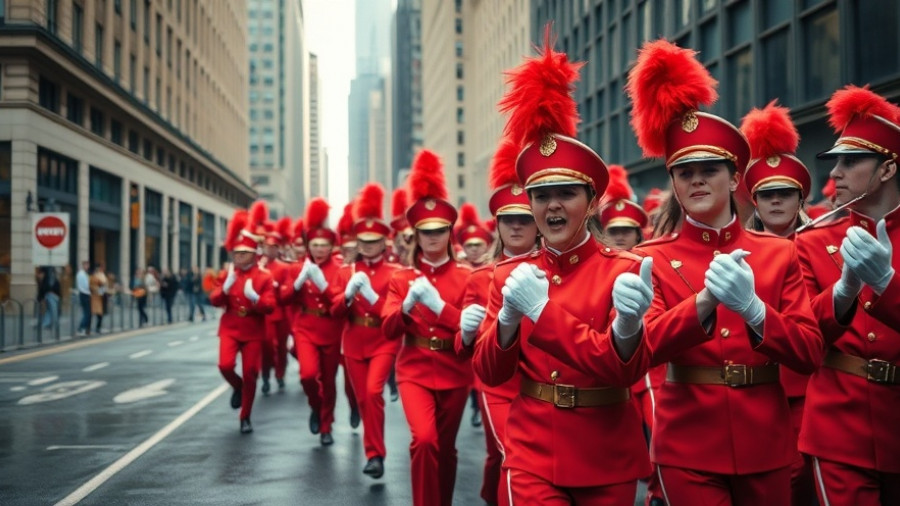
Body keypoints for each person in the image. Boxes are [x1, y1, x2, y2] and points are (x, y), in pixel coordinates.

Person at [624, 39, 823, 505]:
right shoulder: (650, 257)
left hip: (765, 440)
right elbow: (644, 350)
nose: (696, 180)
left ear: (735, 178)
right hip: (687, 442)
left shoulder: (777, 254)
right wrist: (704, 304)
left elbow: (810, 352)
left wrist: (755, 312)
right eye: (684, 171)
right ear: (672, 182)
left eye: (710, 169)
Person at [472, 35, 652, 504]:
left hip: (604, 452)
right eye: (539, 196)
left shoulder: (625, 271)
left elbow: (619, 372)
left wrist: (629, 329)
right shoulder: (506, 276)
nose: (552, 205)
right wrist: (507, 322)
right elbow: (489, 373)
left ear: (592, 203)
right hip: (532, 450)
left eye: (566, 194)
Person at [795, 85, 900, 505]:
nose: (835, 173)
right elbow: (803, 338)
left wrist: (888, 286)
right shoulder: (813, 242)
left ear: (888, 170)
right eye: (835, 161)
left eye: (851, 161)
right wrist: (843, 293)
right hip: (839, 424)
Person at [380, 149, 472, 506]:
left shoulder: (467, 277)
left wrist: (440, 308)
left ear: (450, 233)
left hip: (455, 369)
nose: (432, 237)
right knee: (425, 441)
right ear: (415, 235)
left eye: (439, 230)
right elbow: (388, 331)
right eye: (425, 231)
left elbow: (470, 333)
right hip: (414, 368)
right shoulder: (402, 279)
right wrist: (405, 306)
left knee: (446, 449)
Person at [739, 101, 817, 506]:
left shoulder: (827, 247)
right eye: (765, 193)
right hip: (756, 389)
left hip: (812, 387)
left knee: (804, 483)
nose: (775, 201)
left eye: (785, 192)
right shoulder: (739, 252)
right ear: (754, 200)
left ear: (800, 196)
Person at [458, 135, 539, 506]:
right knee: (515, 458)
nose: (517, 227)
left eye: (525, 219)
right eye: (508, 220)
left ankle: (492, 495)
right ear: (498, 225)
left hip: (542, 384)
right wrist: (466, 331)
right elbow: (464, 348)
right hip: (500, 386)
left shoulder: (553, 271)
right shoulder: (479, 278)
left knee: (501, 459)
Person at [328, 183, 402, 479]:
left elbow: (395, 307)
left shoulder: (395, 272)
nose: (369, 245)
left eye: (374, 241)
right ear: (357, 242)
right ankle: (373, 449)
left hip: (383, 339)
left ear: (384, 242)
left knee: (373, 392)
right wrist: (347, 295)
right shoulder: (347, 272)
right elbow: (334, 312)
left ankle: (375, 455)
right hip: (354, 341)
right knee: (362, 398)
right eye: (364, 241)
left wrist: (373, 299)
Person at [281, 197, 344, 446]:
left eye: (324, 245)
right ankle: (315, 407)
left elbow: (339, 301)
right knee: (308, 375)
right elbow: (284, 297)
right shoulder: (297, 268)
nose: (319, 249)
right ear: (309, 246)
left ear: (331, 247)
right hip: (306, 327)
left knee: (328, 381)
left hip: (330, 328)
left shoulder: (339, 268)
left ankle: (327, 425)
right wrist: (298, 283)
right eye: (315, 244)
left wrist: (322, 285)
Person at [209, 203, 275, 434]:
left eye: (244, 253)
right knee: (225, 365)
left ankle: (245, 415)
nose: (239, 257)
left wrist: (255, 298)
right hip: (230, 326)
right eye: (236, 253)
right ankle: (237, 387)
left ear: (254, 254)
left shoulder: (263, 276)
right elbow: (215, 300)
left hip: (253, 329)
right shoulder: (226, 274)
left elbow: (270, 306)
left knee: (250, 373)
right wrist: (224, 289)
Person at [454, 202, 493, 429]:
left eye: (478, 245)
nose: (474, 249)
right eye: (469, 246)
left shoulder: (493, 269)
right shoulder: (462, 271)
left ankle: (478, 408)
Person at [260, 216, 292, 394]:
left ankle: (280, 374)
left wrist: (276, 287)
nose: (270, 250)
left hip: (281, 313)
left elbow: (286, 290)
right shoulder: (259, 266)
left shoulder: (283, 267)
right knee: (266, 346)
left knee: (281, 346)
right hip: (265, 315)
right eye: (268, 247)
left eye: (274, 247)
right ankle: (265, 376)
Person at [90, 263, 108, 334]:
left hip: (101, 297)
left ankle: (98, 327)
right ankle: (96, 328)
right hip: (96, 297)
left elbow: (104, 284)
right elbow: (94, 286)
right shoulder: (94, 277)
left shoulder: (101, 275)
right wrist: (101, 290)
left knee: (100, 314)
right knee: (98, 314)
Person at [76, 260, 91, 335]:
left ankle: (83, 329)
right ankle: (81, 328)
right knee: (87, 313)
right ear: (83, 265)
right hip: (84, 294)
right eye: (86, 265)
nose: (87, 267)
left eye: (88, 265)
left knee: (87, 313)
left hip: (84, 294)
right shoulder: (82, 274)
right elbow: (87, 285)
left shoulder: (83, 274)